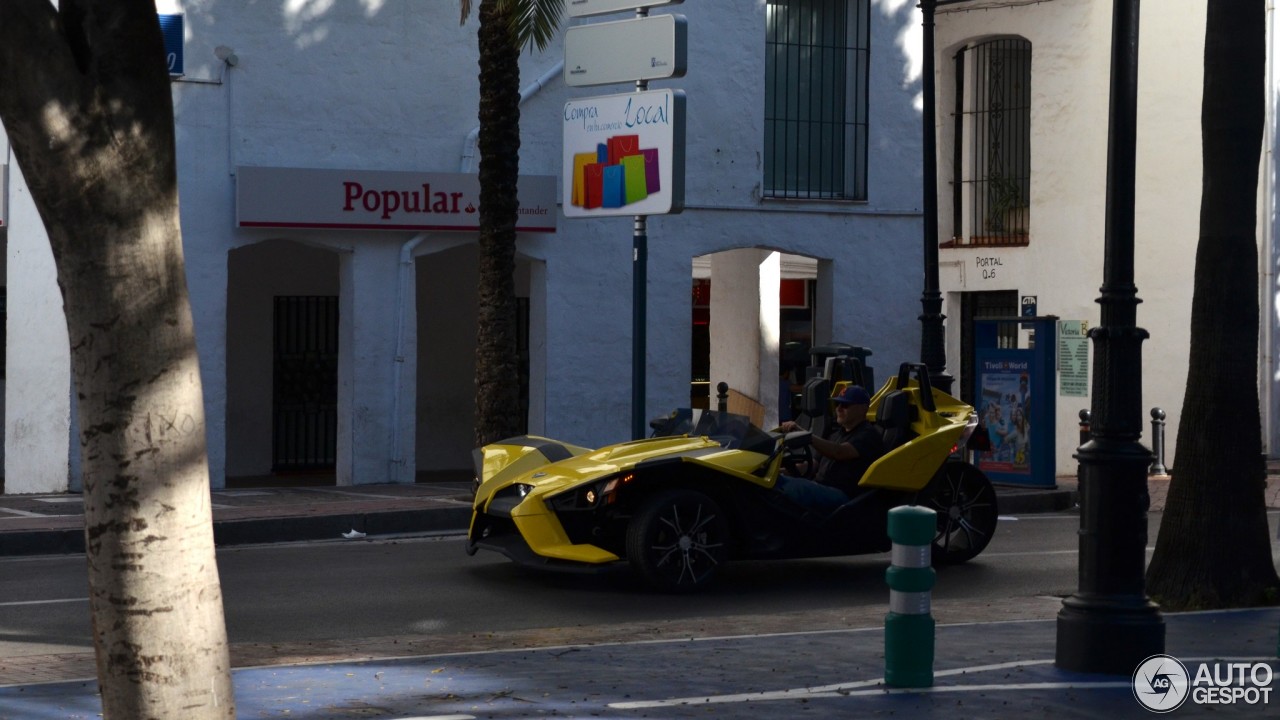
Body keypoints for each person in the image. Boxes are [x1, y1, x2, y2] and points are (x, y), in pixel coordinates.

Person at [775, 385, 885, 511]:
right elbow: (811, 466)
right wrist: (777, 472)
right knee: (775, 483)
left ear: (863, 408)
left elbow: (839, 452)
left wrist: (805, 436)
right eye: (837, 404)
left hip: (844, 497)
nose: (838, 409)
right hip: (820, 488)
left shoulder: (868, 435)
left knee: (789, 489)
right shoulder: (835, 434)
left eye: (845, 405)